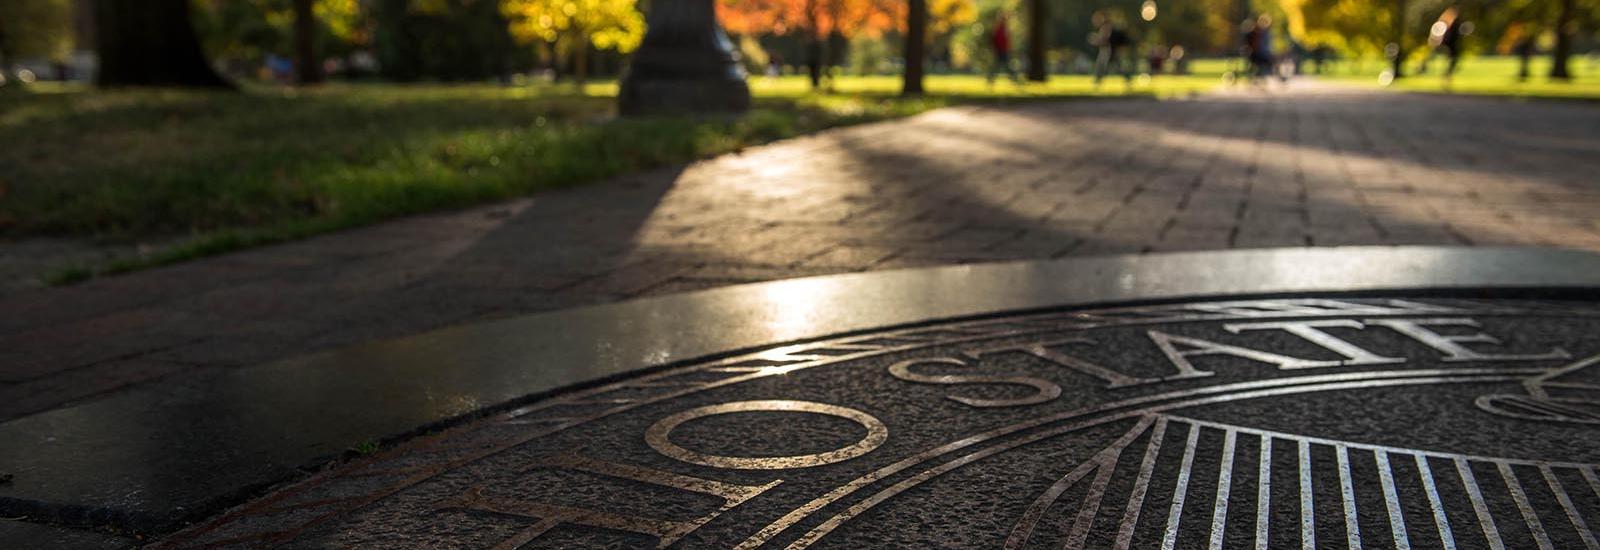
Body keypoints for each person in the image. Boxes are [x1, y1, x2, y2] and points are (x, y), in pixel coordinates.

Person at [1421, 6, 1465, 80]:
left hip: (1448, 45)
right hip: (1443, 45)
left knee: (1452, 59)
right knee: (1434, 56)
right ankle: (1424, 67)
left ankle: (1447, 74)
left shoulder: (1452, 27)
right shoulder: (1442, 25)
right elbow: (1436, 36)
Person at [1092, 11, 1134, 86]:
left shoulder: (1106, 27)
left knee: (1103, 66)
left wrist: (1096, 40)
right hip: (1109, 51)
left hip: (1108, 51)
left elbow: (1105, 40)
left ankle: (1098, 81)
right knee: (1115, 66)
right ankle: (1128, 79)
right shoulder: (1106, 27)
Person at [987, 15, 1020, 84]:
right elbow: (996, 39)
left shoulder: (1003, 28)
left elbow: (1006, 40)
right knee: (1002, 65)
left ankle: (1014, 79)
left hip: (1004, 50)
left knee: (1003, 65)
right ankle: (1014, 79)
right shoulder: (999, 28)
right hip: (1000, 50)